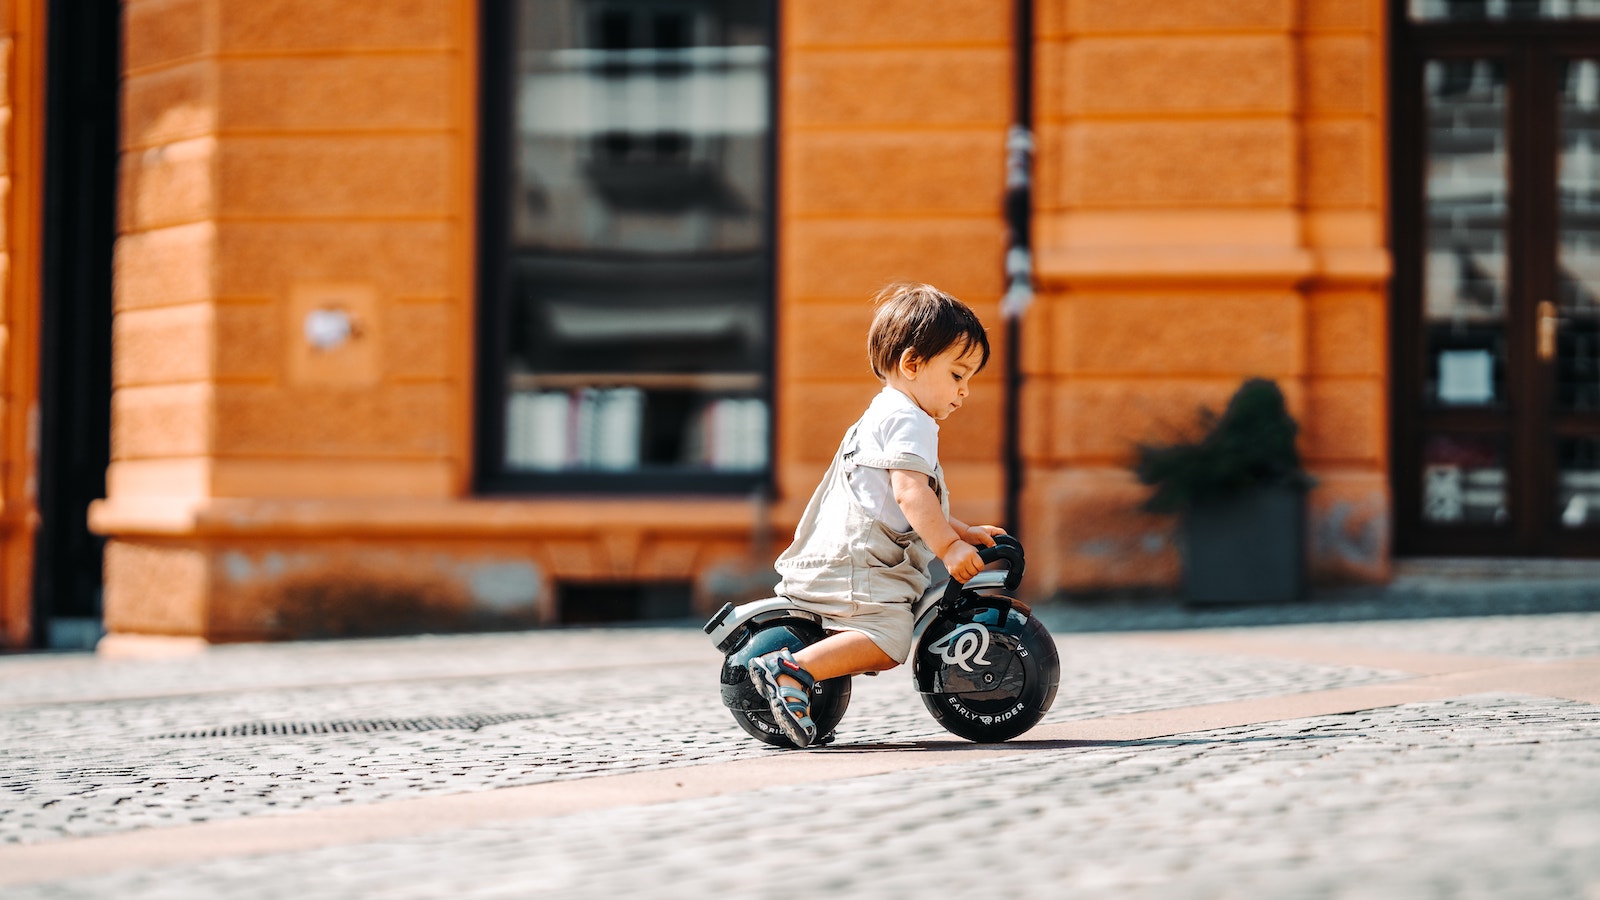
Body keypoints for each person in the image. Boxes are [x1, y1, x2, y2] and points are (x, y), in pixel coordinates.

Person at [747, 282, 1006, 748]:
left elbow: (900, 499)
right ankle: (791, 668)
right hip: (861, 565)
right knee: (890, 641)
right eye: (958, 375)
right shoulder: (912, 421)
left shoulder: (884, 412)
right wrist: (949, 547)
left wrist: (960, 528)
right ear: (912, 364)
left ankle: (801, 670)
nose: (964, 392)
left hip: (849, 554)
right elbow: (910, 494)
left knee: (887, 634)